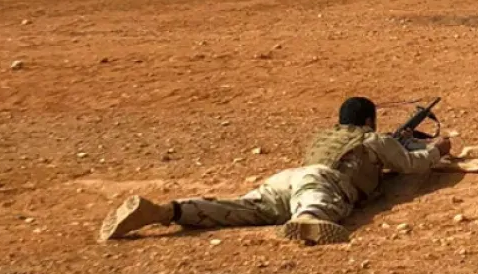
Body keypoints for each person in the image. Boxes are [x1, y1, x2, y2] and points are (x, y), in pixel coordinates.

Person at [98, 96, 451, 246]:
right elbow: (410, 165)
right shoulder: (372, 139)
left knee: (240, 208)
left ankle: (167, 211)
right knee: (317, 207)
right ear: (369, 120)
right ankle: (308, 222)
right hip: (321, 184)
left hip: (287, 178)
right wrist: (437, 149)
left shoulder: (324, 136)